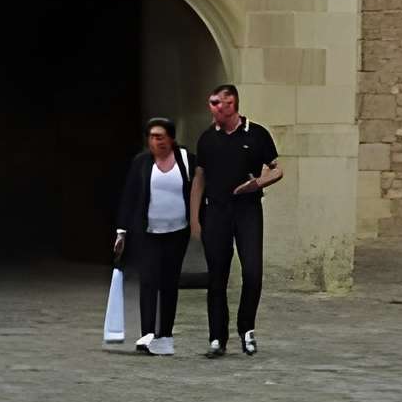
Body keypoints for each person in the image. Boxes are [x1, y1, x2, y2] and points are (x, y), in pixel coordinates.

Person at [190, 82, 283, 357]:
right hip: (216, 212)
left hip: (247, 211)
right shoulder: (207, 138)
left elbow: (278, 170)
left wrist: (257, 184)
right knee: (216, 276)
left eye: (217, 103)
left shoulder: (256, 135)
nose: (213, 108)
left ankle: (247, 329)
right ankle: (217, 338)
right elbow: (199, 179)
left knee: (252, 272)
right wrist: (194, 218)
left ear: (231, 105)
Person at [111, 119, 194, 357]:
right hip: (147, 232)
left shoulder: (187, 160)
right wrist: (121, 231)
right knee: (148, 280)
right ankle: (147, 333)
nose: (155, 141)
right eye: (151, 137)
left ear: (171, 139)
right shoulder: (142, 162)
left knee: (169, 284)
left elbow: (198, 188)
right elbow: (129, 195)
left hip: (178, 232)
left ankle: (165, 335)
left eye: (160, 136)